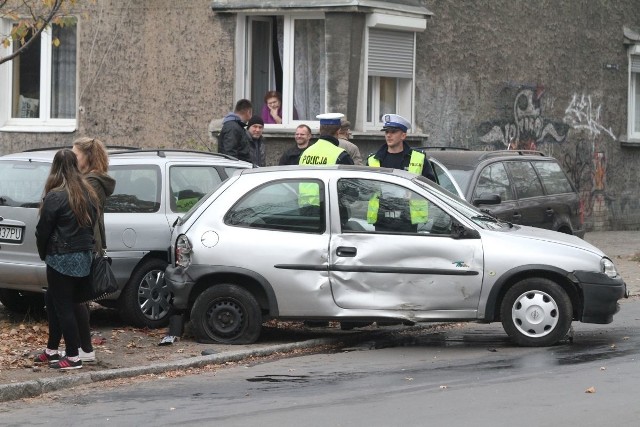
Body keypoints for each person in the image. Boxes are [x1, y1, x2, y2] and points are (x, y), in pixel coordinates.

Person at [34, 149, 99, 370]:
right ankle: (53, 350)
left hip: (60, 258)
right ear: (76, 166)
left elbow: (43, 230)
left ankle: (73, 356)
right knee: (54, 301)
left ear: (55, 167)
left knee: (64, 307)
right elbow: (93, 225)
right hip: (82, 257)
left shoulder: (55, 196)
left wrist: (45, 254)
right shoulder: (88, 193)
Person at [72, 137, 116, 364]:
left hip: (87, 244)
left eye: (76, 154)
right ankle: (77, 347)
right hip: (87, 243)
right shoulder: (90, 180)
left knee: (77, 298)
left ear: (87, 157)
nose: (73, 158)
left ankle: (84, 349)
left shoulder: (92, 182)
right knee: (73, 298)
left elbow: (83, 212)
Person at [366, 114, 436, 233]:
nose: (388, 135)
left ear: (403, 135)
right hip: (382, 220)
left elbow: (431, 187)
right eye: (386, 132)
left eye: (393, 132)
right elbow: (364, 189)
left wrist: (413, 193)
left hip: (407, 220)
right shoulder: (374, 160)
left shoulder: (418, 158)